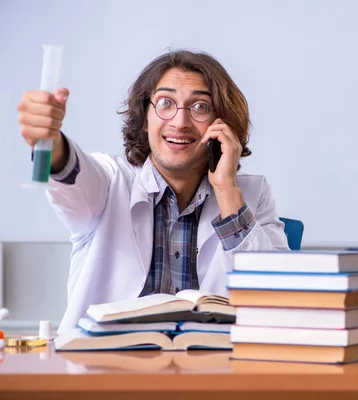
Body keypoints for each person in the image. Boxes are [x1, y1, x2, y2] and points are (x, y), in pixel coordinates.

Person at [17, 50, 290, 334]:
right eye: (165, 103)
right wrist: (50, 140)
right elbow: (72, 172)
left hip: (214, 370)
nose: (180, 122)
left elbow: (279, 298)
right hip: (106, 368)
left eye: (200, 107)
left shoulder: (249, 193)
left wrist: (226, 190)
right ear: (145, 116)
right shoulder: (110, 181)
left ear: (222, 124)